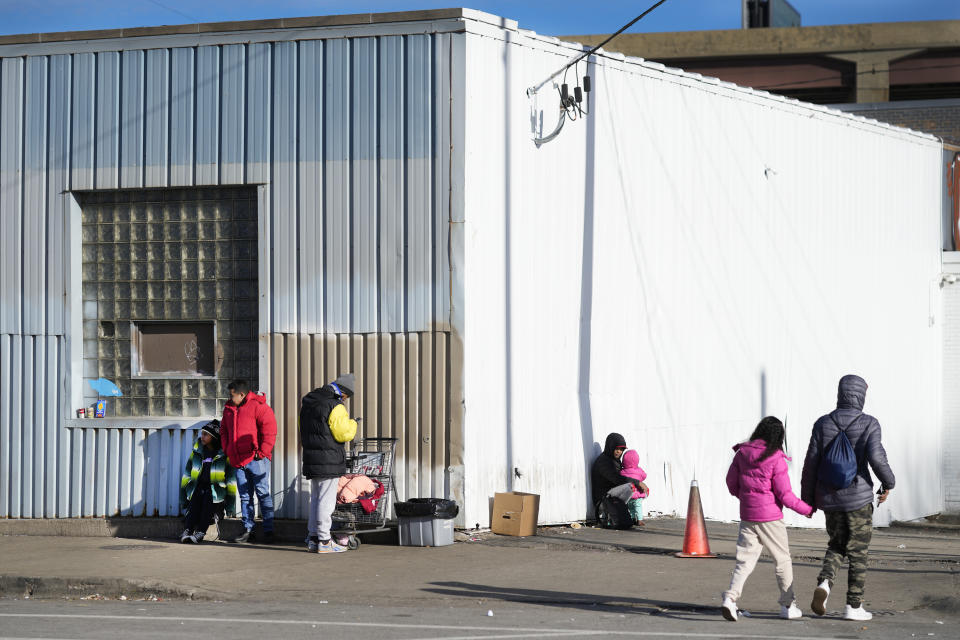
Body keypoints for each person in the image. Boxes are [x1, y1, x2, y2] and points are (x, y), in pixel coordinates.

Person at [801, 374, 895, 622]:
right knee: (858, 552)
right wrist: (889, 483)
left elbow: (810, 464)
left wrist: (807, 500)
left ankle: (825, 582)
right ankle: (853, 606)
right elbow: (877, 458)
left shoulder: (822, 423)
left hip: (829, 499)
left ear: (840, 394)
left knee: (837, 545)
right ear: (861, 396)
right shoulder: (869, 423)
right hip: (858, 500)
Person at [720, 416, 813, 622]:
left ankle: (731, 598)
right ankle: (788, 605)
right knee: (782, 560)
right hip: (770, 518)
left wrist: (746, 497)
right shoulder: (776, 458)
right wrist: (806, 509)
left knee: (744, 561)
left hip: (748, 515)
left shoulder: (742, 453)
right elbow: (785, 495)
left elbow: (730, 482)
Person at [299, 373, 359, 553]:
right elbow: (343, 434)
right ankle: (325, 541)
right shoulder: (335, 404)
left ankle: (313, 538)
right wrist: (353, 424)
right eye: (347, 397)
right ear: (344, 393)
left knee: (316, 499)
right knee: (326, 501)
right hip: (328, 459)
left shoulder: (310, 402)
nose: (345, 400)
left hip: (313, 457)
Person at [220, 379, 278, 543]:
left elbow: (270, 430)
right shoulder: (228, 409)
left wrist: (262, 452)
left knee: (262, 494)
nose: (229, 398)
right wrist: (227, 449)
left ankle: (269, 531)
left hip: (257, 459)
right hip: (238, 460)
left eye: (232, 395)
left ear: (242, 394)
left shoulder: (258, 406)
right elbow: (223, 430)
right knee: (245, 497)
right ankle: (248, 530)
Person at [179, 420, 238, 544]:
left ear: (214, 437)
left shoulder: (223, 456)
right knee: (195, 500)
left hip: (216, 491)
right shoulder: (197, 452)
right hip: (199, 487)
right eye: (202, 433)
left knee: (207, 499)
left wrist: (230, 506)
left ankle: (201, 532)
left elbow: (231, 480)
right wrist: (184, 499)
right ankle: (188, 530)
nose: (202, 437)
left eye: (206, 434)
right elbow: (187, 475)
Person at [590, 433, 648, 524]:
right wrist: (638, 482)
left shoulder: (614, 461)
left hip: (610, 497)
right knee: (630, 486)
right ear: (610, 447)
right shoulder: (603, 462)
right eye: (616, 449)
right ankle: (612, 515)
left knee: (633, 488)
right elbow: (617, 479)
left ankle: (633, 515)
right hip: (602, 501)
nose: (619, 452)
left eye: (621, 450)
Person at [619, 449, 649, 525]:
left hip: (628, 494)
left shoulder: (622, 471)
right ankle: (639, 520)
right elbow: (644, 476)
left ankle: (633, 519)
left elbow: (620, 479)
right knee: (638, 506)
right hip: (638, 493)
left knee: (630, 507)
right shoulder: (639, 470)